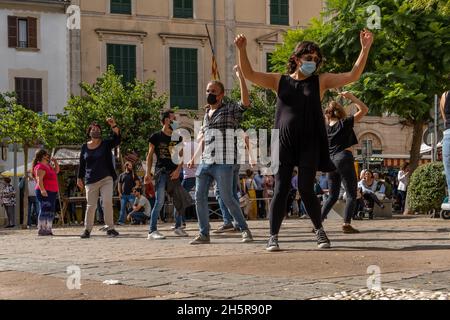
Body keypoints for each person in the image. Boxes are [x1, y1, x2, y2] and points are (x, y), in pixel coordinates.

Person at [235, 29, 373, 250]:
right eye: (309, 58)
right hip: (283, 143)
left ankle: (319, 231)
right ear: (296, 59)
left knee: (306, 189)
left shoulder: (321, 81)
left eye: (316, 60)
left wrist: (365, 49)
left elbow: (352, 75)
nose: (313, 63)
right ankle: (273, 236)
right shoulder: (279, 81)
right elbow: (250, 74)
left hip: (309, 143)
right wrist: (241, 50)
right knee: (280, 189)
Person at [187, 65, 254, 245]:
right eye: (208, 91)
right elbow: (203, 138)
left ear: (221, 94)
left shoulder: (230, 109)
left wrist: (241, 78)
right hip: (206, 161)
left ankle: (244, 229)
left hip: (224, 161)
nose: (210, 93)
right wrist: (194, 158)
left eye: (214, 91)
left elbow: (245, 103)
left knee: (227, 197)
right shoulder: (206, 115)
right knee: (199, 197)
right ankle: (203, 234)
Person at [320, 92, 369, 233]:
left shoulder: (326, 128)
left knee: (332, 195)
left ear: (327, 114)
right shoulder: (345, 122)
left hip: (330, 161)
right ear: (340, 112)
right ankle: (346, 224)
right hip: (344, 158)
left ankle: (318, 223)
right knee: (351, 194)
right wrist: (351, 98)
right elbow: (364, 110)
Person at [144, 110, 189, 239]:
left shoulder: (177, 138)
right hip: (161, 172)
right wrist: (148, 173)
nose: (175, 121)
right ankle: (152, 231)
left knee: (179, 200)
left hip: (174, 173)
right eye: (172, 119)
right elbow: (149, 156)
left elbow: (182, 156)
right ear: (165, 120)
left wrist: (178, 170)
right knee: (159, 201)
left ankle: (178, 227)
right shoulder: (156, 136)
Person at [77, 117, 121, 239]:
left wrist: (113, 125)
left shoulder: (106, 144)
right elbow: (82, 164)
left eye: (97, 129)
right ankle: (87, 230)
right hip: (90, 180)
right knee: (91, 205)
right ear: (89, 132)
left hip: (106, 178)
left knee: (107, 202)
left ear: (100, 132)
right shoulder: (84, 147)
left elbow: (117, 139)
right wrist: (79, 178)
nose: (95, 131)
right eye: (93, 129)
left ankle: (110, 228)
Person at [32, 149, 60, 235]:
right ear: (43, 156)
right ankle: (41, 229)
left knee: (51, 210)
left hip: (52, 191)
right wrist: (42, 190)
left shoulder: (48, 166)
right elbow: (39, 179)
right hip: (45, 190)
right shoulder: (40, 166)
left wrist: (55, 162)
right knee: (44, 209)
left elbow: (57, 171)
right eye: (47, 155)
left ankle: (48, 229)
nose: (48, 156)